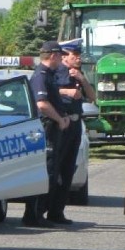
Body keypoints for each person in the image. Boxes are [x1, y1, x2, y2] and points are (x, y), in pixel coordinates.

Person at [50, 39, 97, 225]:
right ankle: (45, 209)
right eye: (75, 56)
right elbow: (46, 92)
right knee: (55, 168)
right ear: (64, 56)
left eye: (79, 55)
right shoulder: (55, 73)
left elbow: (92, 97)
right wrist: (66, 93)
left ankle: (57, 212)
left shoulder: (78, 74)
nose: (78, 58)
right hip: (61, 123)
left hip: (76, 124)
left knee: (68, 169)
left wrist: (82, 80)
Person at [25, 40, 70, 228]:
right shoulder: (41, 76)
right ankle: (33, 215)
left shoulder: (49, 75)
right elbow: (42, 104)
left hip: (53, 128)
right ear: (53, 55)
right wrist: (60, 120)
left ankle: (40, 213)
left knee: (52, 171)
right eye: (60, 55)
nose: (62, 58)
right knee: (45, 171)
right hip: (47, 128)